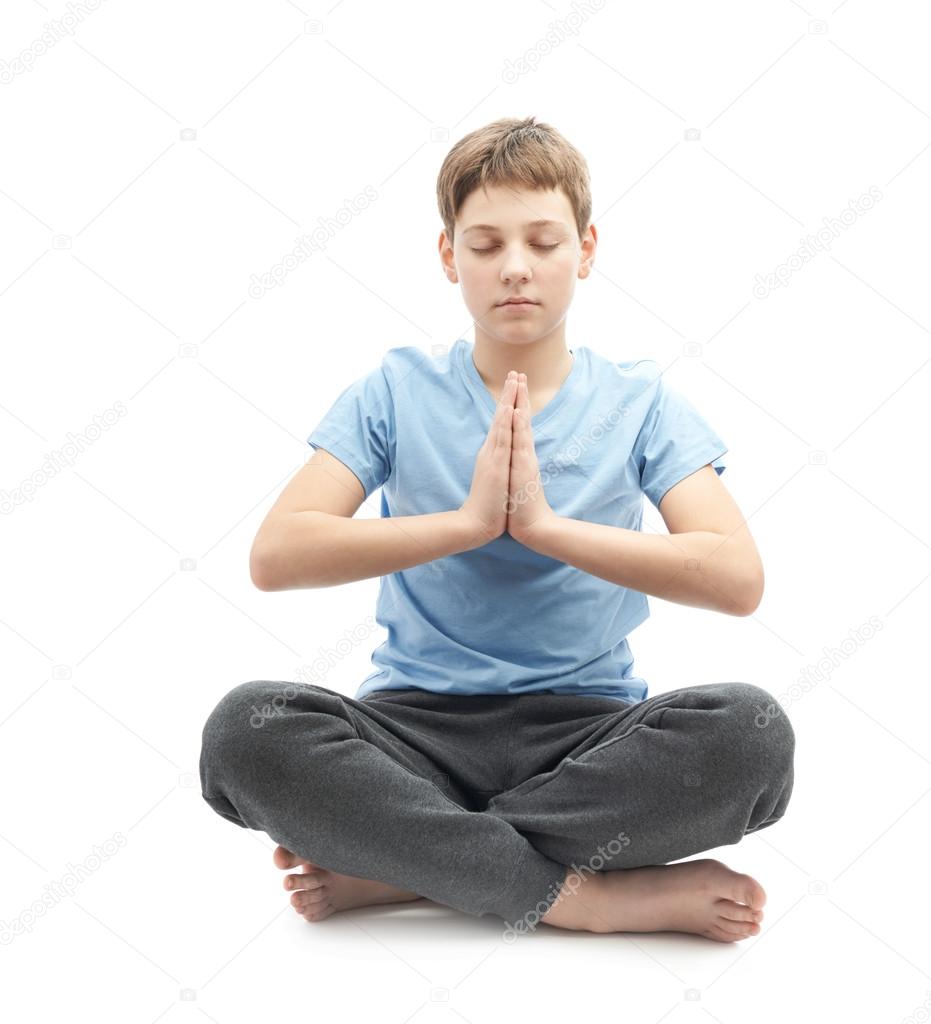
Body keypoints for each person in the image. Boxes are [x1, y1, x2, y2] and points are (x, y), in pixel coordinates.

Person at [199, 115, 795, 943]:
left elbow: (737, 577)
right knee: (244, 733)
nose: (515, 268)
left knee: (750, 735)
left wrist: (543, 527)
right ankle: (584, 898)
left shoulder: (642, 402)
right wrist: (471, 523)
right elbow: (277, 554)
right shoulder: (394, 390)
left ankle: (410, 863)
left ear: (586, 250)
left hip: (588, 736)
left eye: (543, 242)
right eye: (485, 245)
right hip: (414, 732)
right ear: (449, 257)